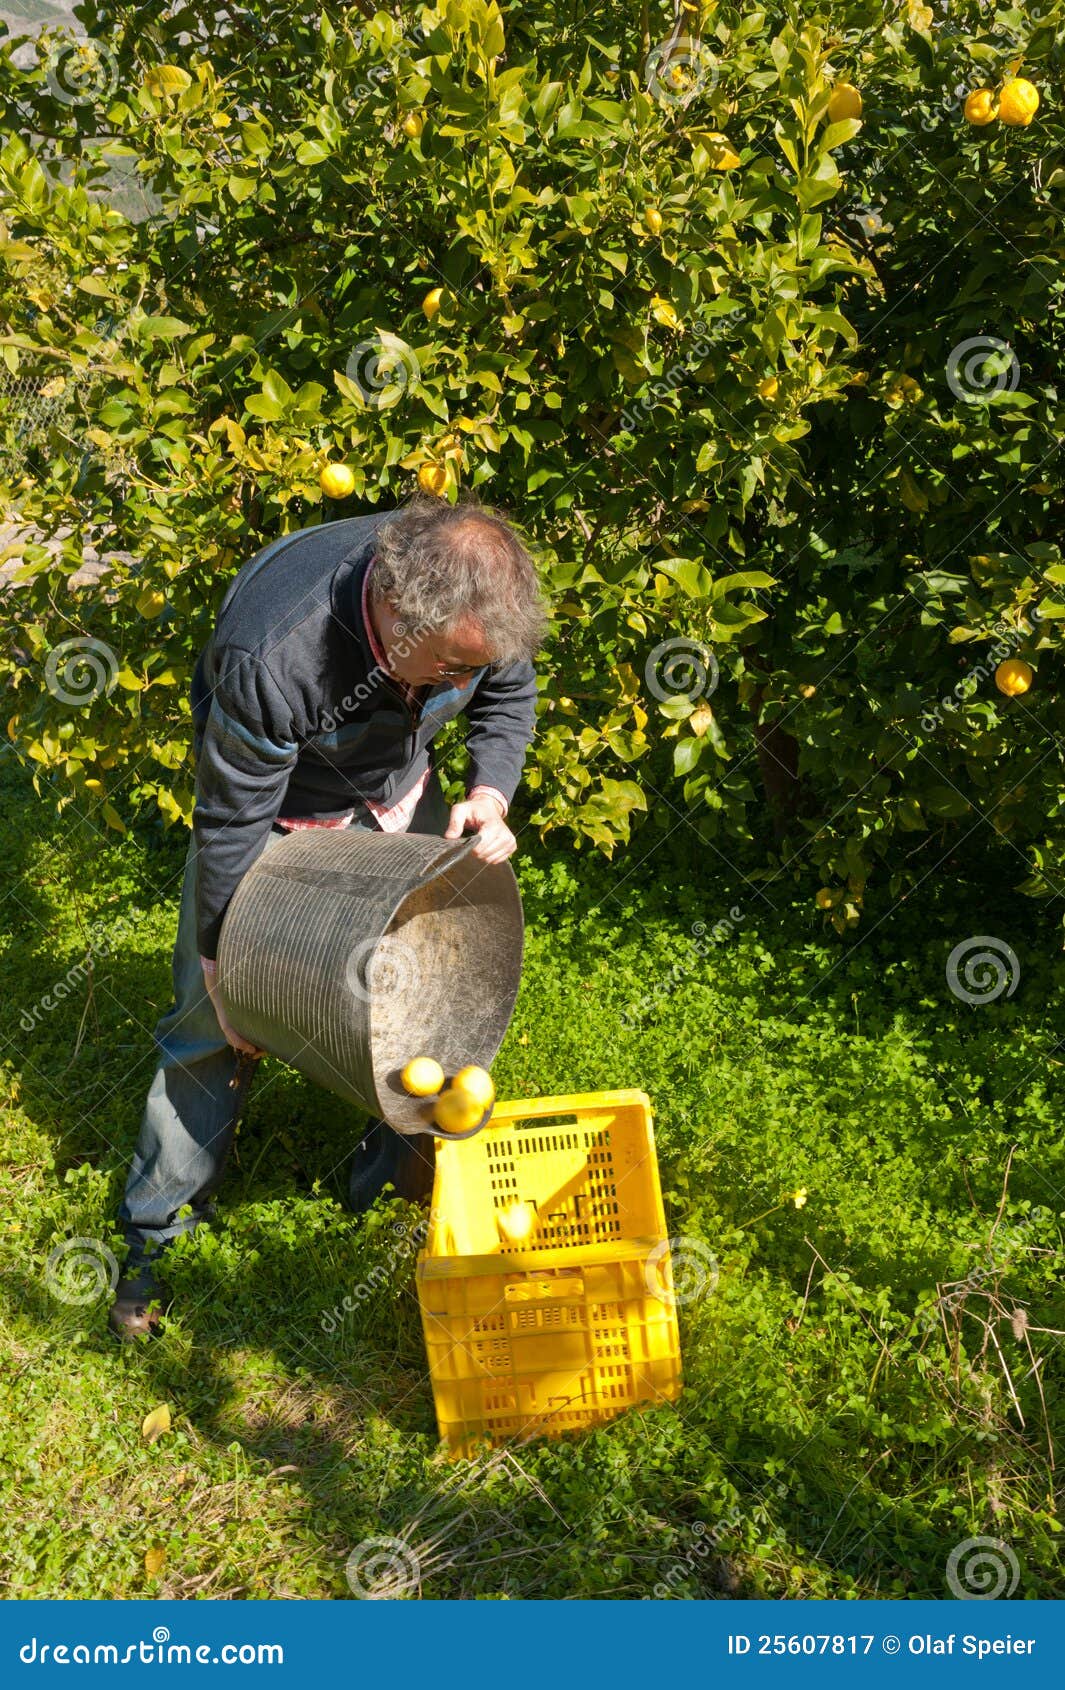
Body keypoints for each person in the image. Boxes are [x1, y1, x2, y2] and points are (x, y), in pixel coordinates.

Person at [109, 491, 549, 1339]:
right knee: (208, 1033)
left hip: (392, 793)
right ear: (392, 615)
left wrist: (489, 790)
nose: (463, 684)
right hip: (275, 818)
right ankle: (157, 1236)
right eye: (450, 671)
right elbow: (233, 821)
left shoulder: (476, 618)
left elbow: (506, 699)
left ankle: (382, 1183)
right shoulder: (275, 652)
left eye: (472, 668)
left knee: (416, 1000)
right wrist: (220, 962)